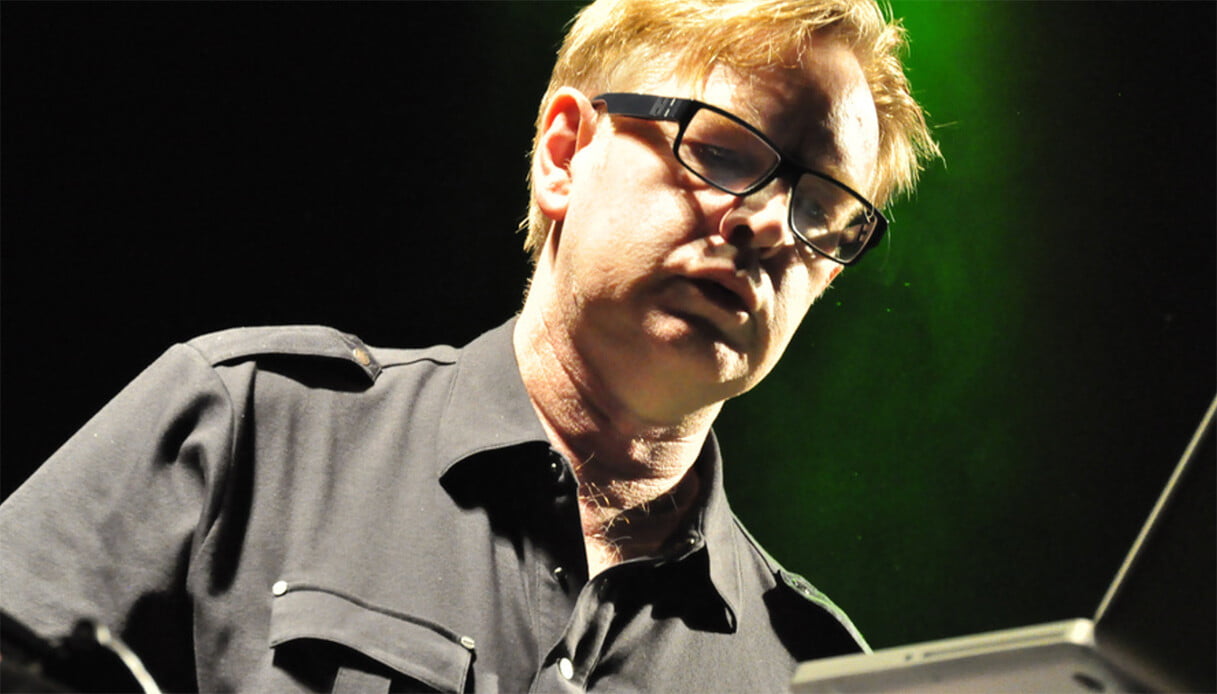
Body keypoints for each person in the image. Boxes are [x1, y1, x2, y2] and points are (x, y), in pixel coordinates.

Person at [0, 0, 937, 691]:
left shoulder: (811, 670)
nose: (767, 225)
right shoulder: (251, 428)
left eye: (823, 208)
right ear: (563, 154)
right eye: (723, 150)